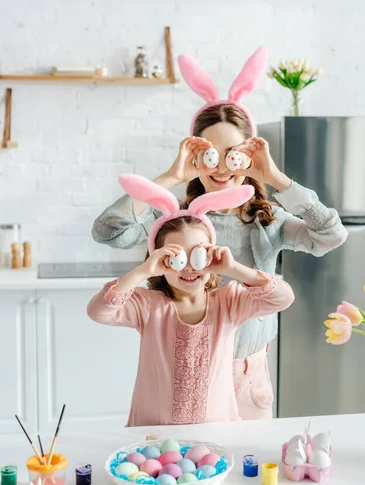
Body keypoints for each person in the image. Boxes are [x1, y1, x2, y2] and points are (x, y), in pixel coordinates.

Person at [92, 47, 348, 420]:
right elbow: (108, 231)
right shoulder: (173, 221)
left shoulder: (267, 220)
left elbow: (331, 235)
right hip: (182, 372)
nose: (223, 165)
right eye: (211, 153)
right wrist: (169, 178)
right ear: (195, 155)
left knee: (247, 471)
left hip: (247, 373)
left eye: (233, 152)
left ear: (248, 154)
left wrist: (275, 178)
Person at [87, 175, 294, 426]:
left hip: (218, 434)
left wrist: (234, 268)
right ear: (160, 260)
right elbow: (98, 311)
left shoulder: (229, 303)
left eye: (197, 254)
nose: (187, 269)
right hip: (154, 434)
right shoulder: (148, 306)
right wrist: (143, 271)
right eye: (176, 258)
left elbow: (282, 298)